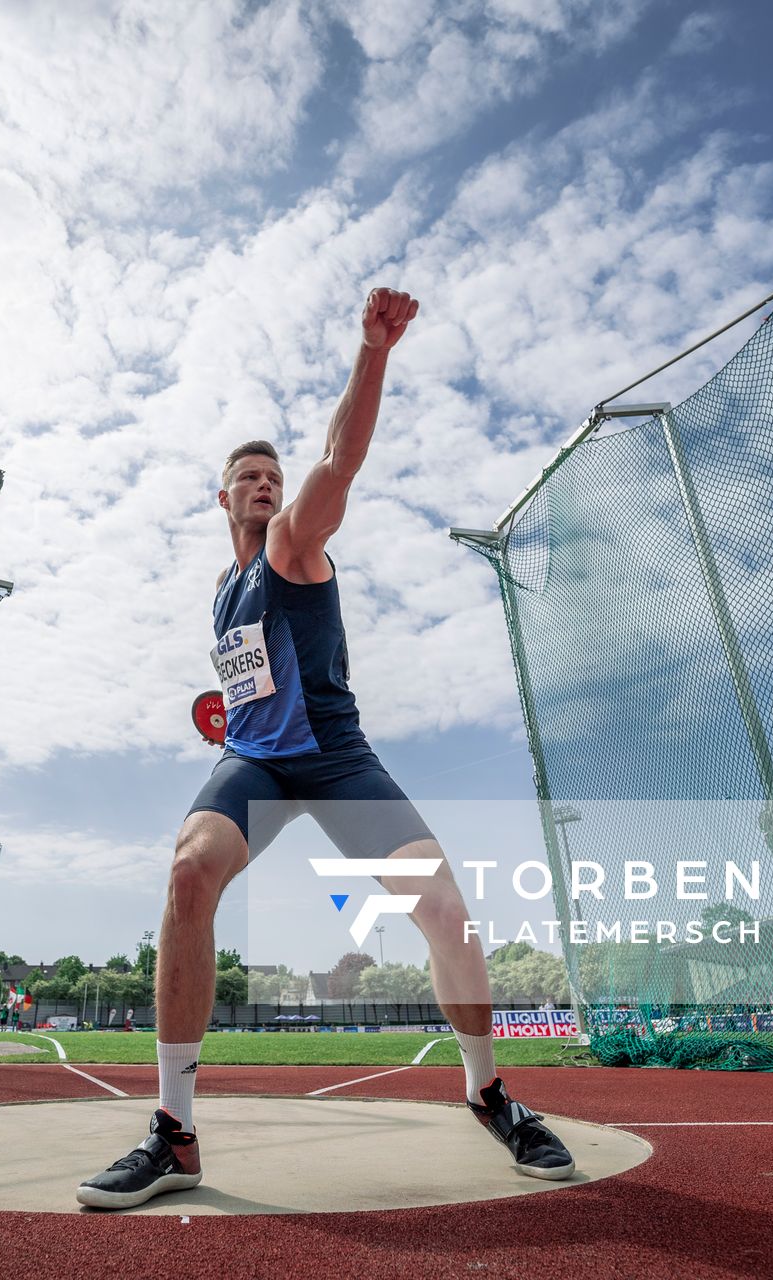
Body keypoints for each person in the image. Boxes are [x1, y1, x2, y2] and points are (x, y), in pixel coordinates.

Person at [78, 289, 573, 1210]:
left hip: (338, 761)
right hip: (259, 762)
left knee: (446, 910)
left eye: (275, 474)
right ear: (221, 496)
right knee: (188, 874)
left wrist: (372, 350)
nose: (267, 485)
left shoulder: (295, 545)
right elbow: (250, 690)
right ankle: (173, 1129)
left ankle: (488, 1092)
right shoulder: (223, 594)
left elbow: (340, 459)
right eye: (250, 478)